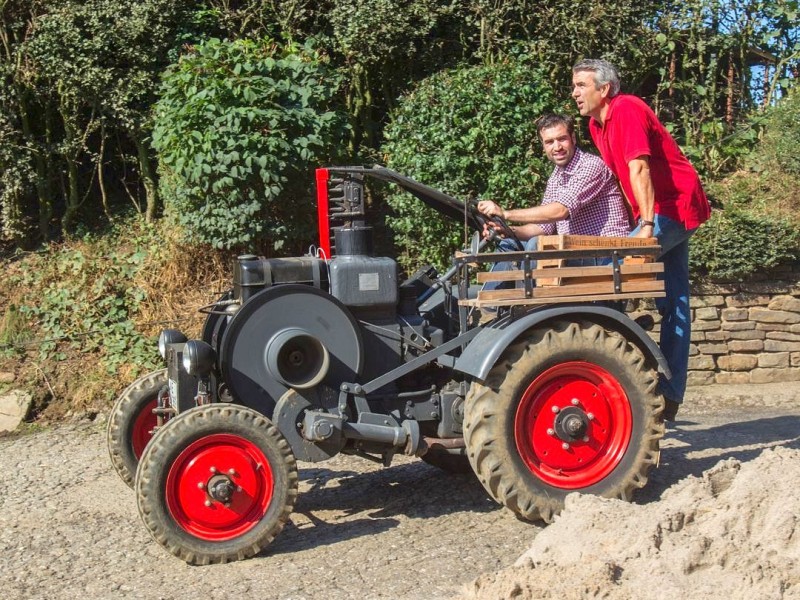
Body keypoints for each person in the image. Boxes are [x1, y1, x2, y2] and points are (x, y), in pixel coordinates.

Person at [571, 58, 711, 422]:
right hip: (657, 209)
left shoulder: (627, 109)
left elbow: (639, 167)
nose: (575, 93)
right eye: (574, 86)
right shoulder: (594, 125)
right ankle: (670, 395)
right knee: (674, 303)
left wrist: (645, 224)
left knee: (608, 277)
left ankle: (613, 377)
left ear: (604, 89)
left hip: (674, 206)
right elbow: (621, 179)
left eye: (581, 85)